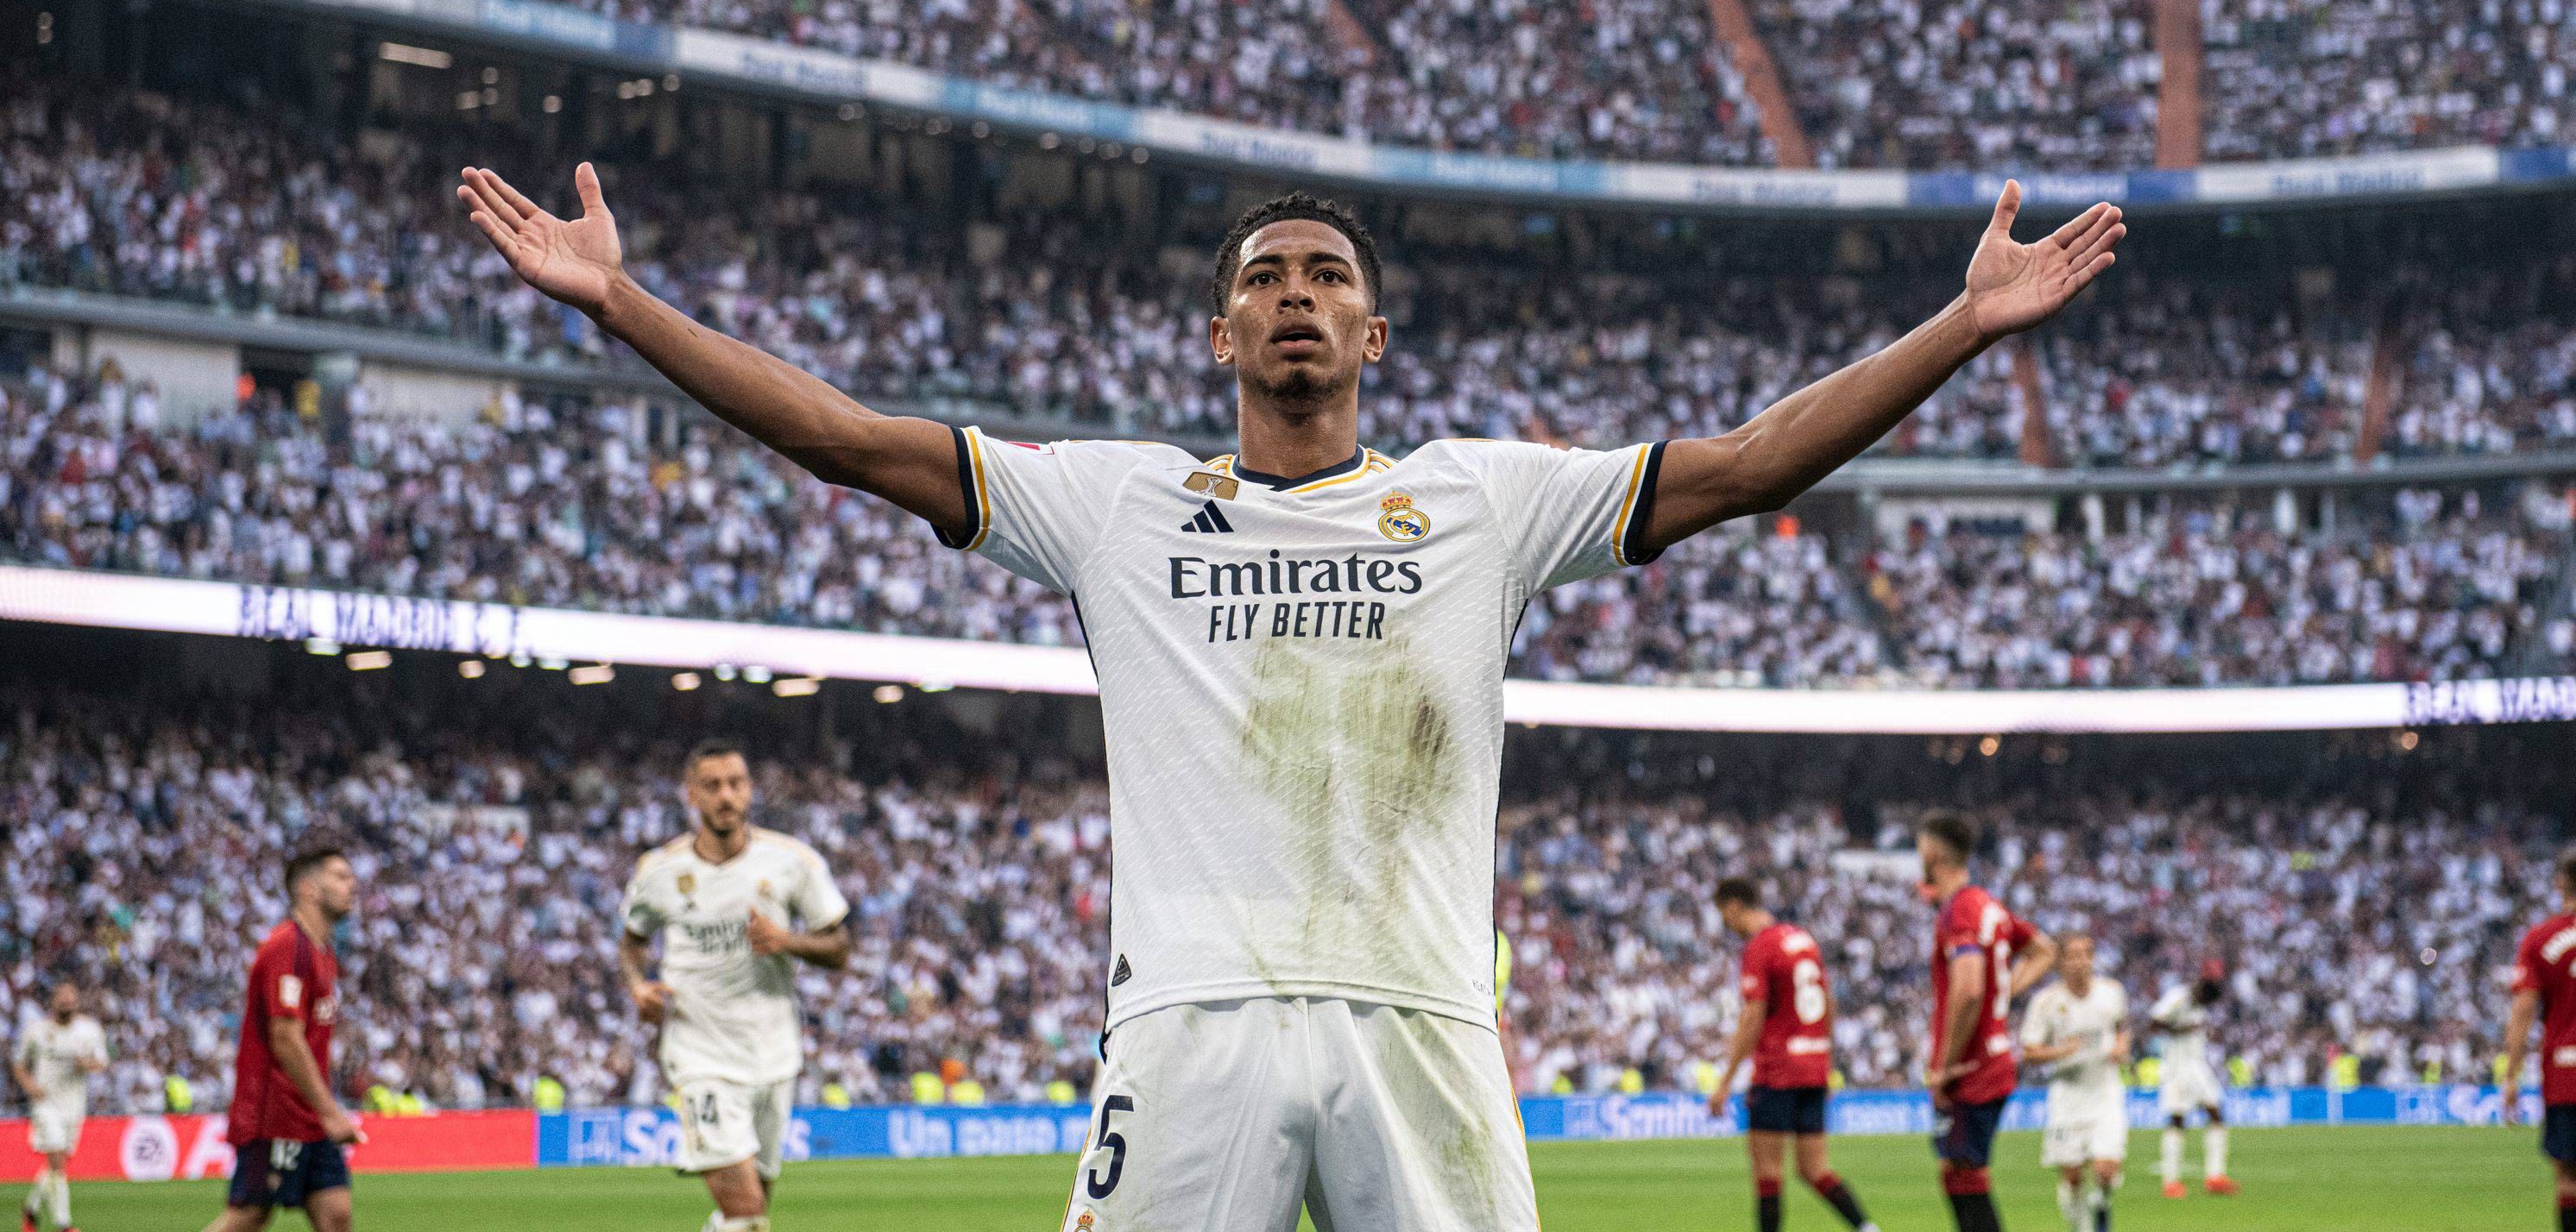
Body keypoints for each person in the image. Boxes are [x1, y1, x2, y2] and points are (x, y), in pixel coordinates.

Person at [458, 160, 2121, 1230]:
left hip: (1422, 1029)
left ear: (1375, 334)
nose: (1298, 295)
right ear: (1220, 332)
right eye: (1266, 277)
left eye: (1326, 274)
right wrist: (621, 304)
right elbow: (845, 437)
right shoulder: (1115, 506)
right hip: (1188, 1026)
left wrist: (1962, 326)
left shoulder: (1485, 497)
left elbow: (1754, 466)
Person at [620, 743, 850, 1232]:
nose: (726, 795)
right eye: (712, 785)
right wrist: (639, 986)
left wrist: (786, 940)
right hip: (699, 1049)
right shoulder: (659, 871)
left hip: (774, 1050)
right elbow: (632, 942)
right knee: (747, 1214)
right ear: (691, 796)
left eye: (736, 783)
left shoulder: (792, 862)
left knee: (746, 1211)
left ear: (750, 790)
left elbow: (840, 948)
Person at [203, 846, 362, 1232]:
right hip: (273, 1113)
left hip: (308, 1114)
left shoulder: (322, 951)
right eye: (340, 876)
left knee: (336, 1214)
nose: (351, 884)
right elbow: (285, 1037)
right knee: (250, 1215)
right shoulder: (286, 945)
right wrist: (329, 1111)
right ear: (309, 889)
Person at [1711, 877, 1880, 1232]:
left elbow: (1753, 1015)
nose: (1727, 926)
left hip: (1778, 1071)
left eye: (1724, 917)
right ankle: (1867, 1228)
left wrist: (1725, 1081)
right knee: (1814, 1169)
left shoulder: (1760, 947)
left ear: (1734, 907)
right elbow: (1828, 1003)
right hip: (1814, 1066)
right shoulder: (1803, 940)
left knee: (1768, 1174)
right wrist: (1826, 1061)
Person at [1919, 810, 2057, 1232]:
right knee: (1960, 1175)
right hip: (1992, 1059)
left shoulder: (1959, 910)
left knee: (1965, 1176)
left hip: (1972, 1068)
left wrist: (1943, 1065)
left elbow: (1970, 989)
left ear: (1934, 854)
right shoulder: (1988, 906)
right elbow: (2044, 950)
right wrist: (2007, 991)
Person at [2019, 934, 2129, 1232]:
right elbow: (2029, 1052)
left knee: (2106, 1170)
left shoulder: (2112, 992)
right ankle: (2081, 1227)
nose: (2081, 962)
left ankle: (2102, 1204)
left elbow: (2122, 1027)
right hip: (2067, 1095)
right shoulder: (2046, 1002)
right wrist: (2060, 1051)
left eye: (2087, 954)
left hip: (2105, 1091)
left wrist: (2121, 1047)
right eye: (2074, 955)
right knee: (2072, 1175)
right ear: (2060, 962)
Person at [2503, 845, 2576, 1232]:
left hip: (2565, 1073)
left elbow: (2523, 1012)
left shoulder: (2540, 939)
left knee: (2567, 1174)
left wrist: (2511, 1075)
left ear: (2560, 881)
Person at [14, 981, 106, 1232]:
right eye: (61, 997)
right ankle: (64, 1225)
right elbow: (19, 1063)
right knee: (56, 1160)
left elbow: (102, 1062)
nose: (66, 1001)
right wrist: (29, 1085)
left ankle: (31, 1209)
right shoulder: (38, 1031)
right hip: (45, 1104)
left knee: (57, 1165)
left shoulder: (89, 1030)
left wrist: (86, 1063)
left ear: (76, 1001)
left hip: (74, 1105)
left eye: (71, 997)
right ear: (53, 1001)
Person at [2148, 962, 2235, 1197]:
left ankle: (2215, 1177)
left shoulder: (2200, 1004)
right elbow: (2153, 1022)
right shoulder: (2178, 997)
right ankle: (2171, 1182)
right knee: (2178, 1118)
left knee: (2216, 1112)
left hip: (2197, 1065)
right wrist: (2181, 1028)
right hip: (2176, 1067)